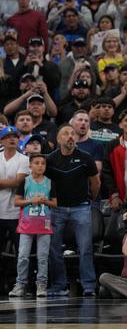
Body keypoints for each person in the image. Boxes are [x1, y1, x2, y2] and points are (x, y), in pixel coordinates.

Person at [46, 124, 100, 296]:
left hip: (81, 207)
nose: (70, 136)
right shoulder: (51, 159)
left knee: (85, 248)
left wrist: (89, 200)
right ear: (59, 139)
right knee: (54, 248)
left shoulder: (86, 157)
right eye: (65, 133)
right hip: (57, 209)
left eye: (72, 134)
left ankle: (89, 286)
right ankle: (59, 284)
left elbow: (95, 183)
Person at [9, 153, 56, 298]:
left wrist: (44, 201)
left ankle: (41, 285)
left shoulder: (49, 182)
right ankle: (20, 284)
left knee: (43, 257)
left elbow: (54, 203)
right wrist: (31, 201)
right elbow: (16, 202)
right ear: (30, 166)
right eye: (36, 163)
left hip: (44, 225)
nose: (40, 165)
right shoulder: (25, 182)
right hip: (27, 225)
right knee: (23, 256)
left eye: (43, 163)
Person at [0, 126, 30, 256]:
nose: (12, 139)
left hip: (16, 213)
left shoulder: (24, 159)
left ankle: (21, 276)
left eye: (15, 136)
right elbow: (14, 182)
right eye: (7, 137)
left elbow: (18, 183)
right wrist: (9, 183)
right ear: (1, 141)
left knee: (20, 250)